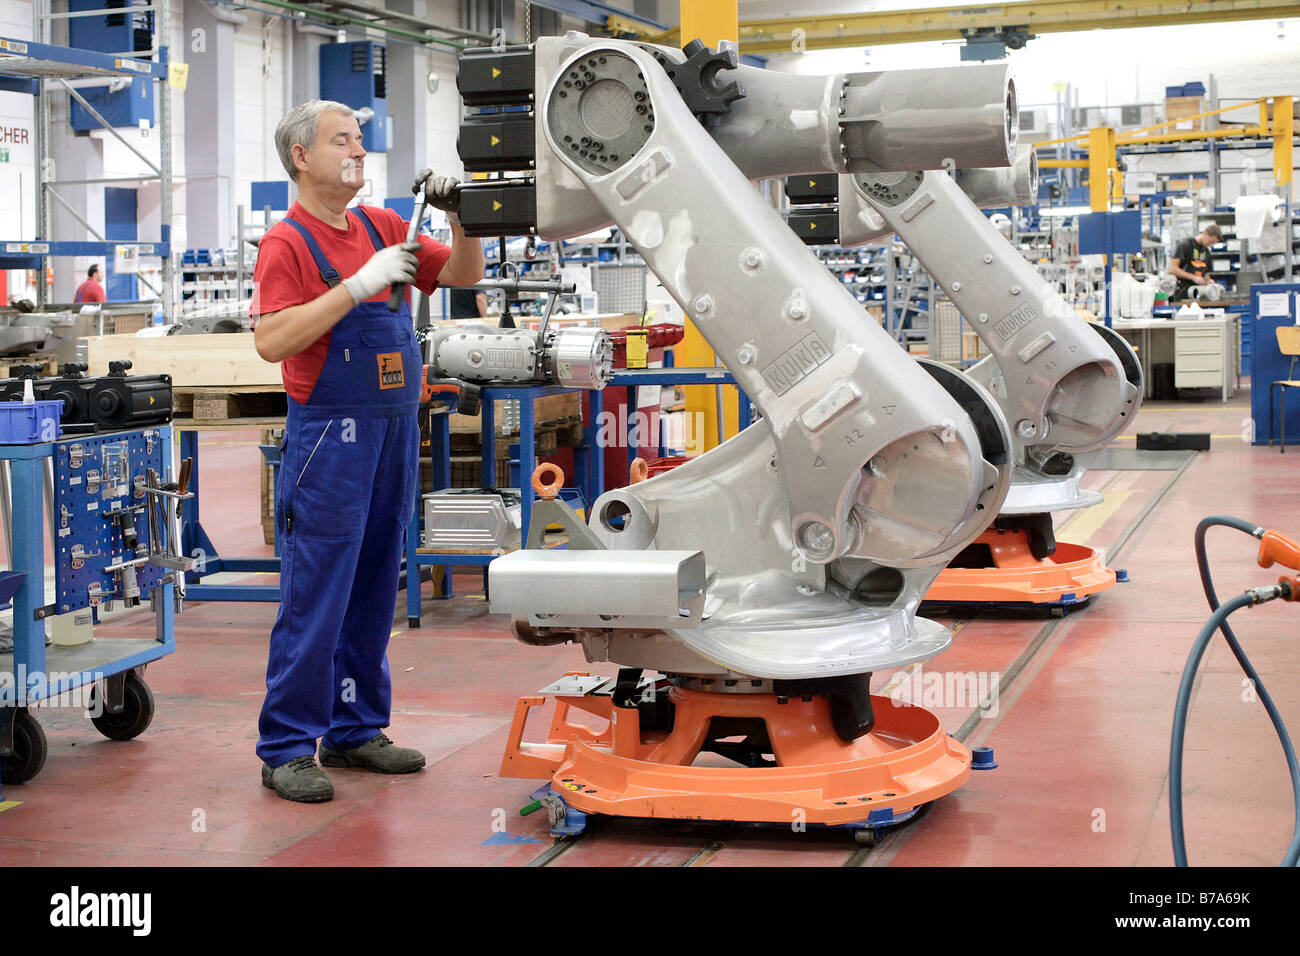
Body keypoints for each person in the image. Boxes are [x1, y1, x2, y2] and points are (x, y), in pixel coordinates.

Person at [251, 100, 484, 802]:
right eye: (341, 141)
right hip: (329, 437)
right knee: (317, 592)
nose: (357, 151)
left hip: (391, 432)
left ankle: (354, 729)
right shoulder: (287, 243)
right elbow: (270, 341)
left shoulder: (387, 225)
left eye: (361, 140)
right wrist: (358, 286)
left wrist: (462, 217)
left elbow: (466, 276)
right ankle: (288, 746)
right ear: (301, 156)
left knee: (378, 583)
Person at [1169, 224, 1222, 300]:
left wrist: (1208, 281)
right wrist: (1193, 277)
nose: (1210, 245)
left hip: (1198, 293)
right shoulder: (1186, 245)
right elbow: (1173, 269)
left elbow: (1206, 272)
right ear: (1206, 234)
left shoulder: (1207, 252)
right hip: (1183, 292)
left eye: (1213, 244)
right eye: (1210, 242)